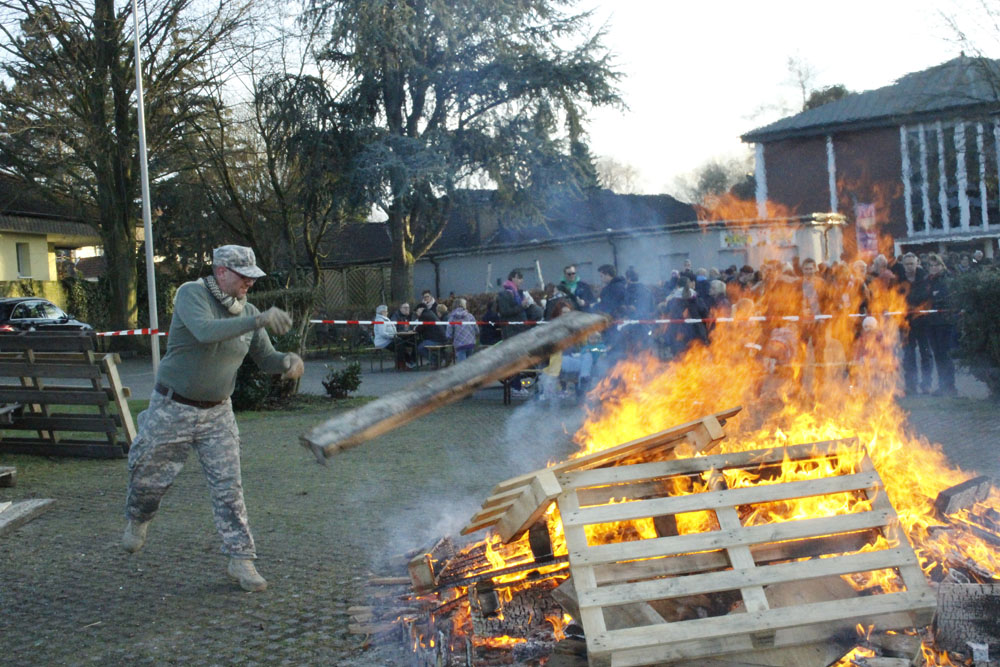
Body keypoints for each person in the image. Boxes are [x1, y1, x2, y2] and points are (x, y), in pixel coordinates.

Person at [123, 245, 303, 592]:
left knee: (229, 487)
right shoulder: (191, 294)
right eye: (244, 276)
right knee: (148, 480)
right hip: (172, 406)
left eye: (253, 277)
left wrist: (287, 361)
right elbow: (205, 331)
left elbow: (265, 357)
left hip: (218, 412)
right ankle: (138, 517)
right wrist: (259, 319)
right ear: (221, 271)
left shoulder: (248, 311)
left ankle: (241, 559)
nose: (250, 283)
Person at [895, 252, 933, 395]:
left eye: (912, 263)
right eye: (907, 264)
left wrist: (918, 307)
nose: (910, 266)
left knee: (925, 353)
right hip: (905, 322)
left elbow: (927, 297)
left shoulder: (924, 278)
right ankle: (911, 385)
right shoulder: (899, 279)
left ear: (917, 263)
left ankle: (926, 384)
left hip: (922, 321)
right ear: (903, 265)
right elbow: (895, 297)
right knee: (908, 354)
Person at [923, 253, 957, 396]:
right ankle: (942, 385)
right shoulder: (927, 281)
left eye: (936, 265)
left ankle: (950, 386)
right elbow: (924, 297)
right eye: (931, 265)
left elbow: (946, 296)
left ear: (941, 265)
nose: (934, 268)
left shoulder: (947, 278)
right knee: (937, 354)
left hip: (944, 322)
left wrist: (934, 299)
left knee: (945, 354)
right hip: (931, 322)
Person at [415, 290, 447, 360]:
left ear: (420, 309)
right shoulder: (429, 313)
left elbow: (419, 329)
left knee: (420, 348)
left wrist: (414, 329)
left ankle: (435, 360)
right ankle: (442, 357)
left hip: (436, 339)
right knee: (422, 343)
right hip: (441, 337)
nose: (417, 314)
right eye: (424, 297)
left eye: (417, 311)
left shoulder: (424, 315)